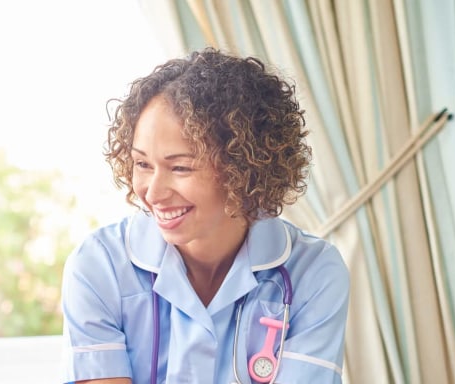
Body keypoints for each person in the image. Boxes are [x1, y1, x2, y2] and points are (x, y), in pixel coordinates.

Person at [61, 47, 349, 384]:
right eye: (142, 164)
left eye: (180, 167)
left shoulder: (313, 272)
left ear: (245, 168)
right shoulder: (99, 265)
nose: (152, 193)